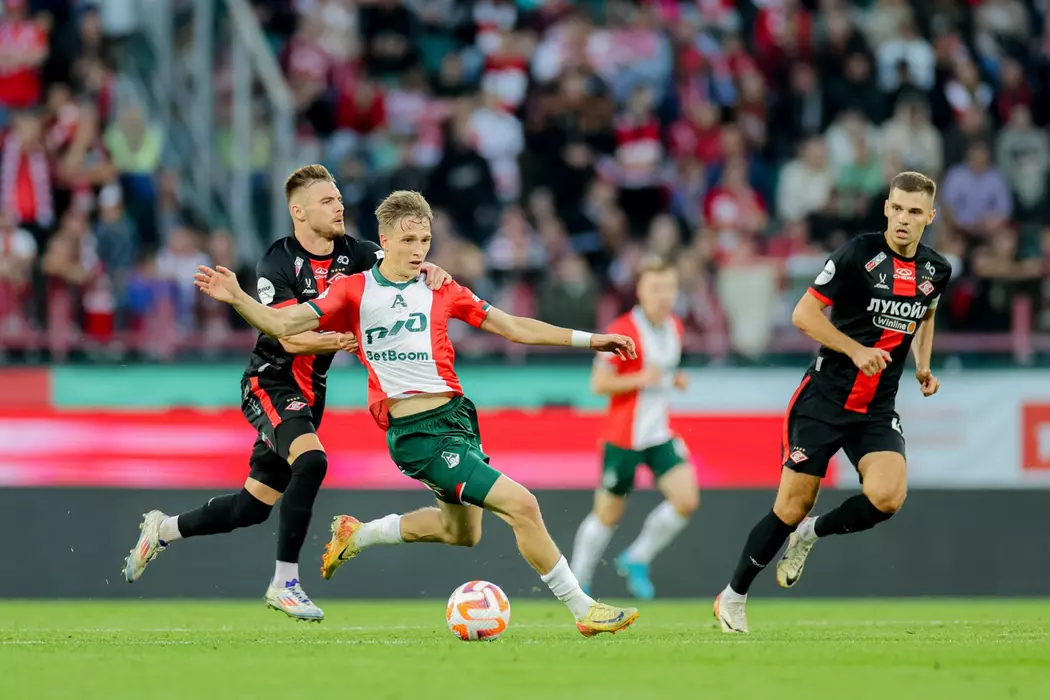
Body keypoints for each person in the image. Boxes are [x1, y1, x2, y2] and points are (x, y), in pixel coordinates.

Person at [194, 190, 641, 637]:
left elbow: (511, 326)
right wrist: (237, 297)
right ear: (384, 241)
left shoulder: (440, 286)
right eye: (408, 240)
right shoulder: (353, 290)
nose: (418, 250)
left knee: (462, 532)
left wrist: (592, 340)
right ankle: (584, 608)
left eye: (425, 240)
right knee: (522, 504)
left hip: (458, 421)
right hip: (417, 434)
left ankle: (359, 535)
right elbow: (282, 325)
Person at [122, 166, 452, 623]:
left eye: (339, 199)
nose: (338, 207)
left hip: (311, 393)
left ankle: (162, 530)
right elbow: (290, 338)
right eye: (326, 201)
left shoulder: (358, 254)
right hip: (270, 380)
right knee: (312, 461)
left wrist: (428, 268)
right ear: (299, 212)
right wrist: (335, 341)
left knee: (251, 507)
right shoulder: (277, 262)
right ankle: (285, 582)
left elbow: (398, 265)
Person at [714, 171, 952, 633]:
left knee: (888, 496)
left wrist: (923, 366)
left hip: (876, 408)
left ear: (930, 216)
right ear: (886, 208)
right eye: (897, 208)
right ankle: (733, 595)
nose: (904, 219)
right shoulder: (858, 253)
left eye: (914, 212)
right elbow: (803, 314)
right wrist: (856, 350)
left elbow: (927, 315)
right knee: (791, 506)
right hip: (823, 399)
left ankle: (812, 532)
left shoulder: (935, 270)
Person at [569, 257, 699, 600]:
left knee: (686, 500)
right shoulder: (623, 329)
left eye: (669, 287)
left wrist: (674, 379)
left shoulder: (675, 326)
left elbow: (661, 372)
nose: (663, 295)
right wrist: (641, 378)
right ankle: (577, 583)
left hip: (659, 433)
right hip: (623, 437)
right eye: (656, 288)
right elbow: (598, 383)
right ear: (640, 290)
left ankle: (637, 557)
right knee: (607, 515)